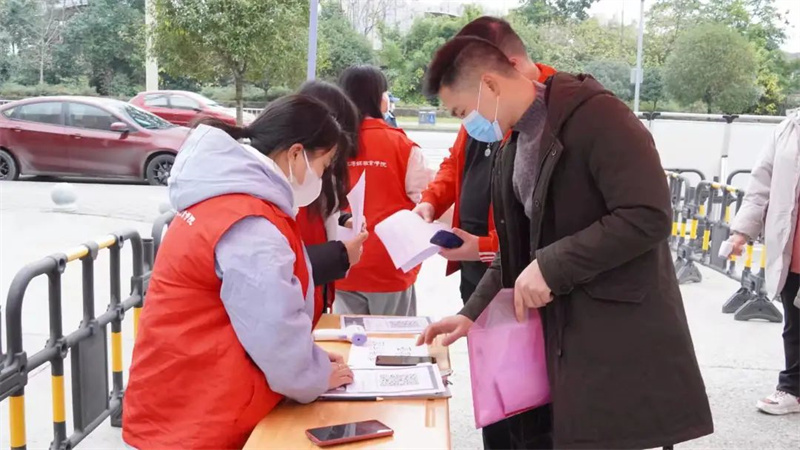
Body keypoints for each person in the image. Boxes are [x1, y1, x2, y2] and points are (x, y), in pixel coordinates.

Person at [417, 36, 714, 449]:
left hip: (614, 339)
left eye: (463, 112)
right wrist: (471, 314)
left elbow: (648, 215)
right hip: (561, 342)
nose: (467, 125)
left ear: (490, 85)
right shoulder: (514, 143)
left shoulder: (598, 117)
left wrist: (552, 265)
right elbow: (516, 249)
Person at [123, 95, 354, 449]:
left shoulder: (225, 200)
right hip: (196, 419)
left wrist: (314, 362)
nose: (322, 178)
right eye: (323, 165)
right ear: (296, 154)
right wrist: (316, 375)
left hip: (179, 399)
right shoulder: (250, 223)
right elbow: (274, 332)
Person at [413, 16, 556, 307]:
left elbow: (548, 227)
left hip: (522, 275)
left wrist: (484, 247)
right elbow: (455, 163)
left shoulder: (555, 112)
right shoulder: (478, 106)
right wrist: (430, 201)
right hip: (474, 268)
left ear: (507, 67)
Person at [334, 65, 433, 316]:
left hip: (342, 261)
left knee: (350, 338)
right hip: (391, 264)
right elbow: (426, 198)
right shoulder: (403, 145)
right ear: (380, 98)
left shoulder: (331, 145)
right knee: (393, 338)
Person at [728, 109, 800, 415]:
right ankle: (793, 389)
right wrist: (741, 232)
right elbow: (760, 186)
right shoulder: (788, 129)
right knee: (796, 322)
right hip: (792, 243)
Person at [296, 80, 369, 311]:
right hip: (297, 304)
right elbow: (279, 267)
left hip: (315, 297)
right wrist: (340, 255)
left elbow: (321, 216)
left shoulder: (316, 180)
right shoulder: (282, 193)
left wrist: (343, 218)